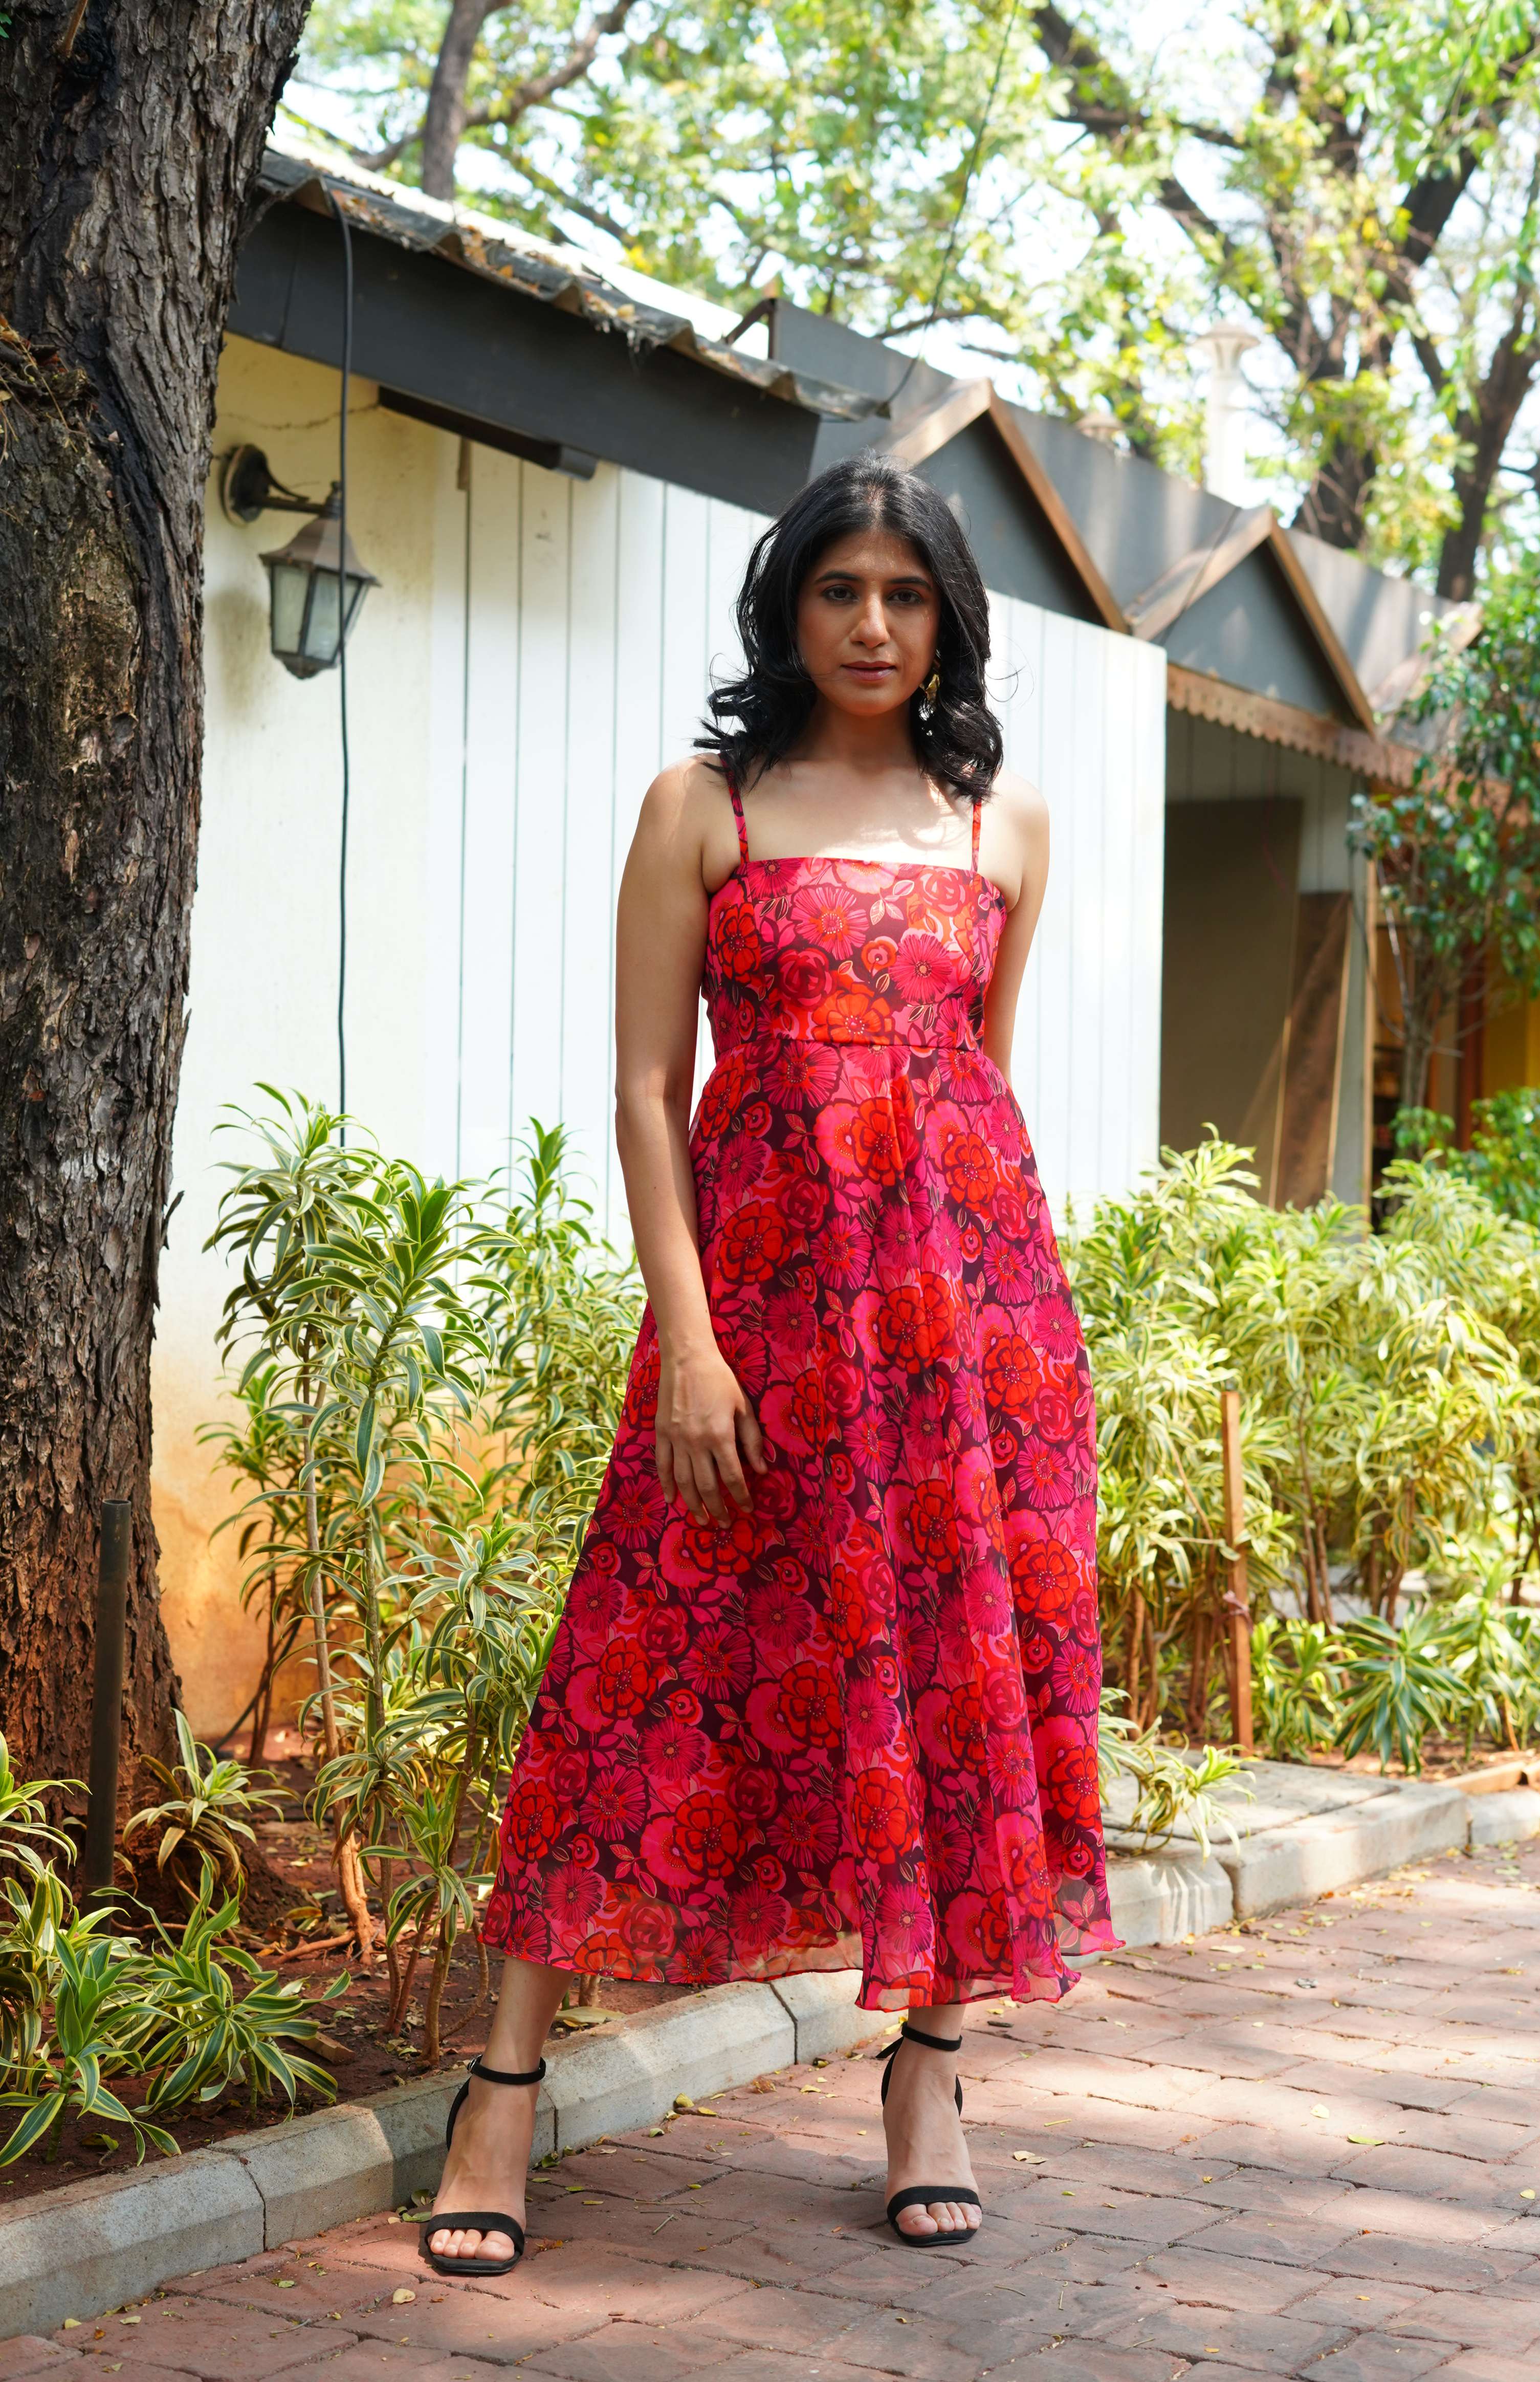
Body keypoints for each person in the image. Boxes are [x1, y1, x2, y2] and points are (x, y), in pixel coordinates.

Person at [425, 450, 1115, 2272]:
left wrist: (1005, 1349)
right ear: (787, 609)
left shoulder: (1007, 828)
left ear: (951, 619)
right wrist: (689, 1349)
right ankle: (499, 2097)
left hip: (970, 1340)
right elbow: (651, 1095)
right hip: (752, 1317)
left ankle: (930, 2072)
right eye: (839, 590)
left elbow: (984, 1086)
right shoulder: (703, 807)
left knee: (957, 1686)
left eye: (906, 595)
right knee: (632, 1668)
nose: (872, 625)